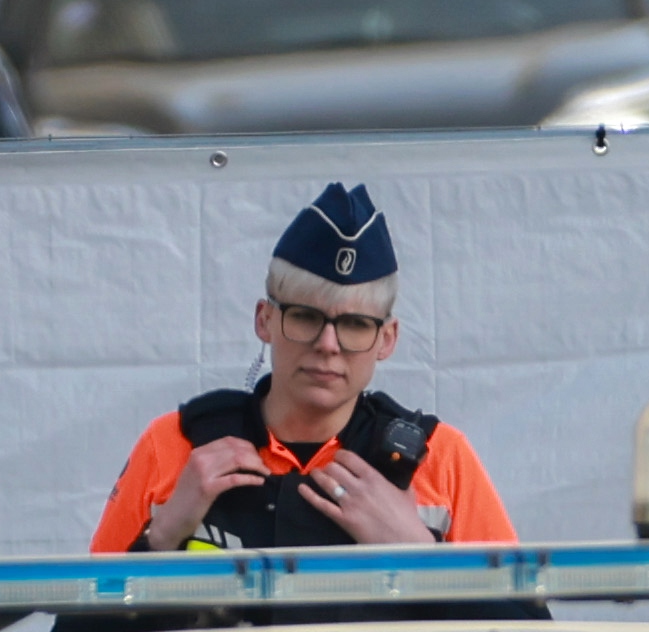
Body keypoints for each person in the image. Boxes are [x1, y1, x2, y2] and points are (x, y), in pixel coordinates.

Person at [89, 181, 519, 556]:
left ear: (387, 339)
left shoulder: (439, 457)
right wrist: (160, 538)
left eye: (355, 325)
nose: (327, 345)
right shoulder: (174, 445)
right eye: (305, 317)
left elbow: (522, 630)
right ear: (264, 320)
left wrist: (422, 554)